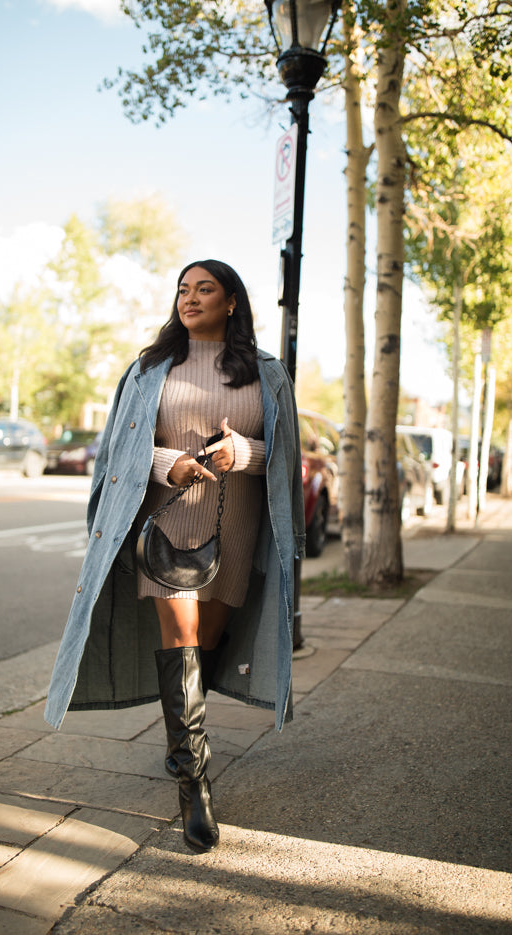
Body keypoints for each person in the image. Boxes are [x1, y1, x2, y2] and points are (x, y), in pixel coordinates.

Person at [44, 259, 305, 854]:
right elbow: (121, 449)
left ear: (232, 301)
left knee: (207, 643)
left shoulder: (268, 374)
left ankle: (181, 743)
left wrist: (241, 452)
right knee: (181, 637)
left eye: (204, 289)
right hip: (165, 526)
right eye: (183, 290)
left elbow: (284, 457)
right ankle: (195, 787)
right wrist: (171, 464)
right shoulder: (150, 368)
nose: (190, 299)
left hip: (234, 525)